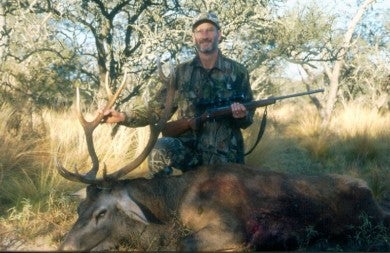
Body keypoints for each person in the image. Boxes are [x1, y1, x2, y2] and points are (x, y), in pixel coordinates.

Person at [102, 11, 254, 178]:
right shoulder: (180, 73)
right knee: (159, 149)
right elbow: (156, 109)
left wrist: (241, 115)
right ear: (193, 37)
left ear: (219, 34)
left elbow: (248, 118)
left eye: (209, 30)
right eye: (199, 31)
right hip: (190, 155)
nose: (204, 35)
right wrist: (123, 116)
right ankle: (164, 199)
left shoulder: (238, 71)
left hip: (227, 158)